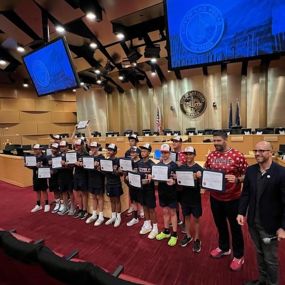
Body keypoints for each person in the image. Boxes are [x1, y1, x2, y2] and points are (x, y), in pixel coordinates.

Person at [237, 141, 285, 285]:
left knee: (271, 259)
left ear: (271, 152)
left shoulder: (281, 173)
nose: (257, 153)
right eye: (256, 150)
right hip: (253, 222)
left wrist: (283, 227)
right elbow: (245, 194)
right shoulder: (251, 170)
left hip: (271, 224)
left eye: (262, 151)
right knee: (259, 254)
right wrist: (241, 212)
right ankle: (263, 281)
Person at [204, 130, 248, 271]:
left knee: (235, 228)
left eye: (218, 140)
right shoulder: (211, 155)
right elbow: (207, 170)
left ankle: (239, 255)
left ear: (225, 139)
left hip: (233, 199)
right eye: (214, 140)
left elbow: (248, 175)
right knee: (220, 224)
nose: (216, 143)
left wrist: (238, 179)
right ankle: (224, 248)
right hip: (215, 198)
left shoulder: (237, 155)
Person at [177, 146, 203, 252]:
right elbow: (178, 184)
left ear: (194, 155)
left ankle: (197, 239)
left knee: (196, 219)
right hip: (184, 198)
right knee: (186, 217)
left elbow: (204, 185)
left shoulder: (199, 168)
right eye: (186, 154)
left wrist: (200, 177)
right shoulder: (181, 168)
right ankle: (188, 236)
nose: (188, 156)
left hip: (195, 198)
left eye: (190, 154)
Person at [154, 144, 178, 247]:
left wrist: (174, 181)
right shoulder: (158, 164)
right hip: (162, 191)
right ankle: (166, 231)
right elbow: (155, 179)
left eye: (166, 152)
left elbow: (178, 179)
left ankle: (175, 234)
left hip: (172, 192)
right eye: (162, 152)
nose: (164, 154)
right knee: (164, 212)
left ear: (170, 153)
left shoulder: (174, 165)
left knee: (172, 212)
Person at [137, 144, 158, 239]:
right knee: (144, 207)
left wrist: (152, 178)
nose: (142, 153)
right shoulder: (139, 163)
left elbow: (157, 179)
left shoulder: (152, 164)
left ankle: (155, 228)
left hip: (150, 190)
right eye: (141, 151)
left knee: (151, 209)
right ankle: (147, 225)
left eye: (145, 151)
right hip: (141, 189)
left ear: (149, 152)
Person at [85, 141, 105, 226]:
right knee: (93, 197)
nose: (92, 149)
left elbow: (104, 170)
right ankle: (94, 214)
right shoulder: (89, 157)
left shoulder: (101, 157)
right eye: (91, 147)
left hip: (99, 179)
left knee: (99, 197)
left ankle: (101, 216)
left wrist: (98, 167)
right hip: (91, 179)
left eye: (94, 147)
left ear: (97, 148)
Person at [103, 143, 123, 227]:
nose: (109, 151)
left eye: (111, 150)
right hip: (109, 183)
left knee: (117, 200)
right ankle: (113, 216)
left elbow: (121, 174)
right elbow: (104, 172)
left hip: (116, 183)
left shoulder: (118, 161)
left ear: (115, 152)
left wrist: (117, 171)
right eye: (108, 150)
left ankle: (119, 217)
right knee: (111, 200)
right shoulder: (106, 160)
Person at [25, 144, 50, 213]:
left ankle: (47, 204)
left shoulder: (45, 157)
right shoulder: (33, 157)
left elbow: (47, 166)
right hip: (35, 175)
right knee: (37, 190)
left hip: (43, 176)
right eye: (34, 149)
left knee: (44, 190)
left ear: (40, 149)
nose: (35, 151)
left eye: (36, 149)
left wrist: (40, 166)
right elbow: (32, 167)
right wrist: (27, 166)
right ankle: (38, 205)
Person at [125, 134, 143, 217]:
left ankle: (141, 208)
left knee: (139, 193)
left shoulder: (140, 151)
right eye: (129, 140)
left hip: (138, 176)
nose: (130, 142)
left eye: (132, 140)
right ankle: (132, 206)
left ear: (136, 142)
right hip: (129, 176)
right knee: (131, 192)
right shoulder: (127, 152)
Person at [172, 136, 187, 227]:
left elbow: (189, 167)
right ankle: (177, 219)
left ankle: (185, 221)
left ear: (181, 143)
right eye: (173, 141)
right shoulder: (170, 154)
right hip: (172, 183)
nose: (174, 143)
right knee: (175, 202)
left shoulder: (185, 154)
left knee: (183, 203)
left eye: (176, 141)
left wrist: (182, 165)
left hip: (182, 183)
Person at [57, 140, 75, 215]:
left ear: (67, 146)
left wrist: (66, 165)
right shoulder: (58, 155)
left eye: (63, 146)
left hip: (69, 175)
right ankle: (65, 207)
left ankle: (73, 207)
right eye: (61, 146)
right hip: (61, 175)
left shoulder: (71, 154)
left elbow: (73, 166)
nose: (62, 148)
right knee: (63, 192)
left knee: (70, 192)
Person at [126, 146, 142, 226]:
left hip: (140, 187)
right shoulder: (130, 162)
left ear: (138, 153)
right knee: (133, 201)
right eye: (131, 152)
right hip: (132, 186)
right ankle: (135, 218)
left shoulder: (141, 163)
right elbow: (126, 172)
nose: (131, 154)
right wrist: (126, 176)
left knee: (142, 202)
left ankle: (146, 220)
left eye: (133, 152)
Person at [73, 139, 89, 220]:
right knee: (78, 193)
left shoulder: (86, 154)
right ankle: (80, 208)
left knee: (83, 193)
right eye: (75, 145)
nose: (76, 146)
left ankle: (84, 210)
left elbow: (88, 165)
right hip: (76, 175)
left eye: (78, 145)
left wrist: (82, 164)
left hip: (84, 175)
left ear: (82, 145)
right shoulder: (74, 154)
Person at [46, 143, 61, 213]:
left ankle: (63, 204)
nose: (53, 150)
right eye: (52, 148)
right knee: (55, 190)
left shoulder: (60, 156)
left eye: (55, 148)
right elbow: (44, 167)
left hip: (59, 176)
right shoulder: (48, 157)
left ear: (58, 149)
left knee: (61, 190)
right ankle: (57, 203)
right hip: (51, 177)